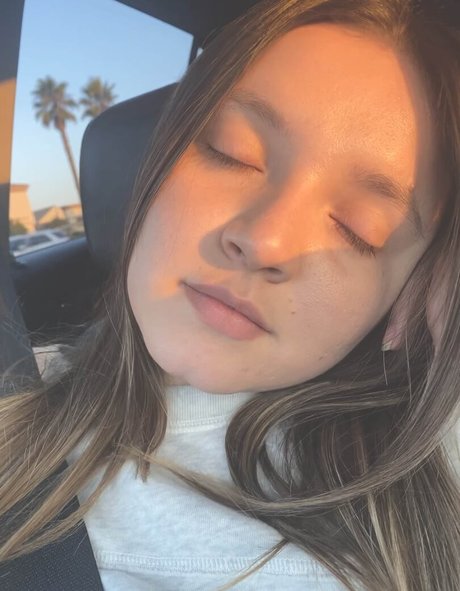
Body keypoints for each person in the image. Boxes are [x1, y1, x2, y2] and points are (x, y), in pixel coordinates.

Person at [1, 0, 459, 589]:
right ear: (153, 165)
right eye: (232, 152)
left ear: (407, 303)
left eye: (357, 229)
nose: (265, 241)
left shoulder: (419, 483)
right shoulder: (18, 387)